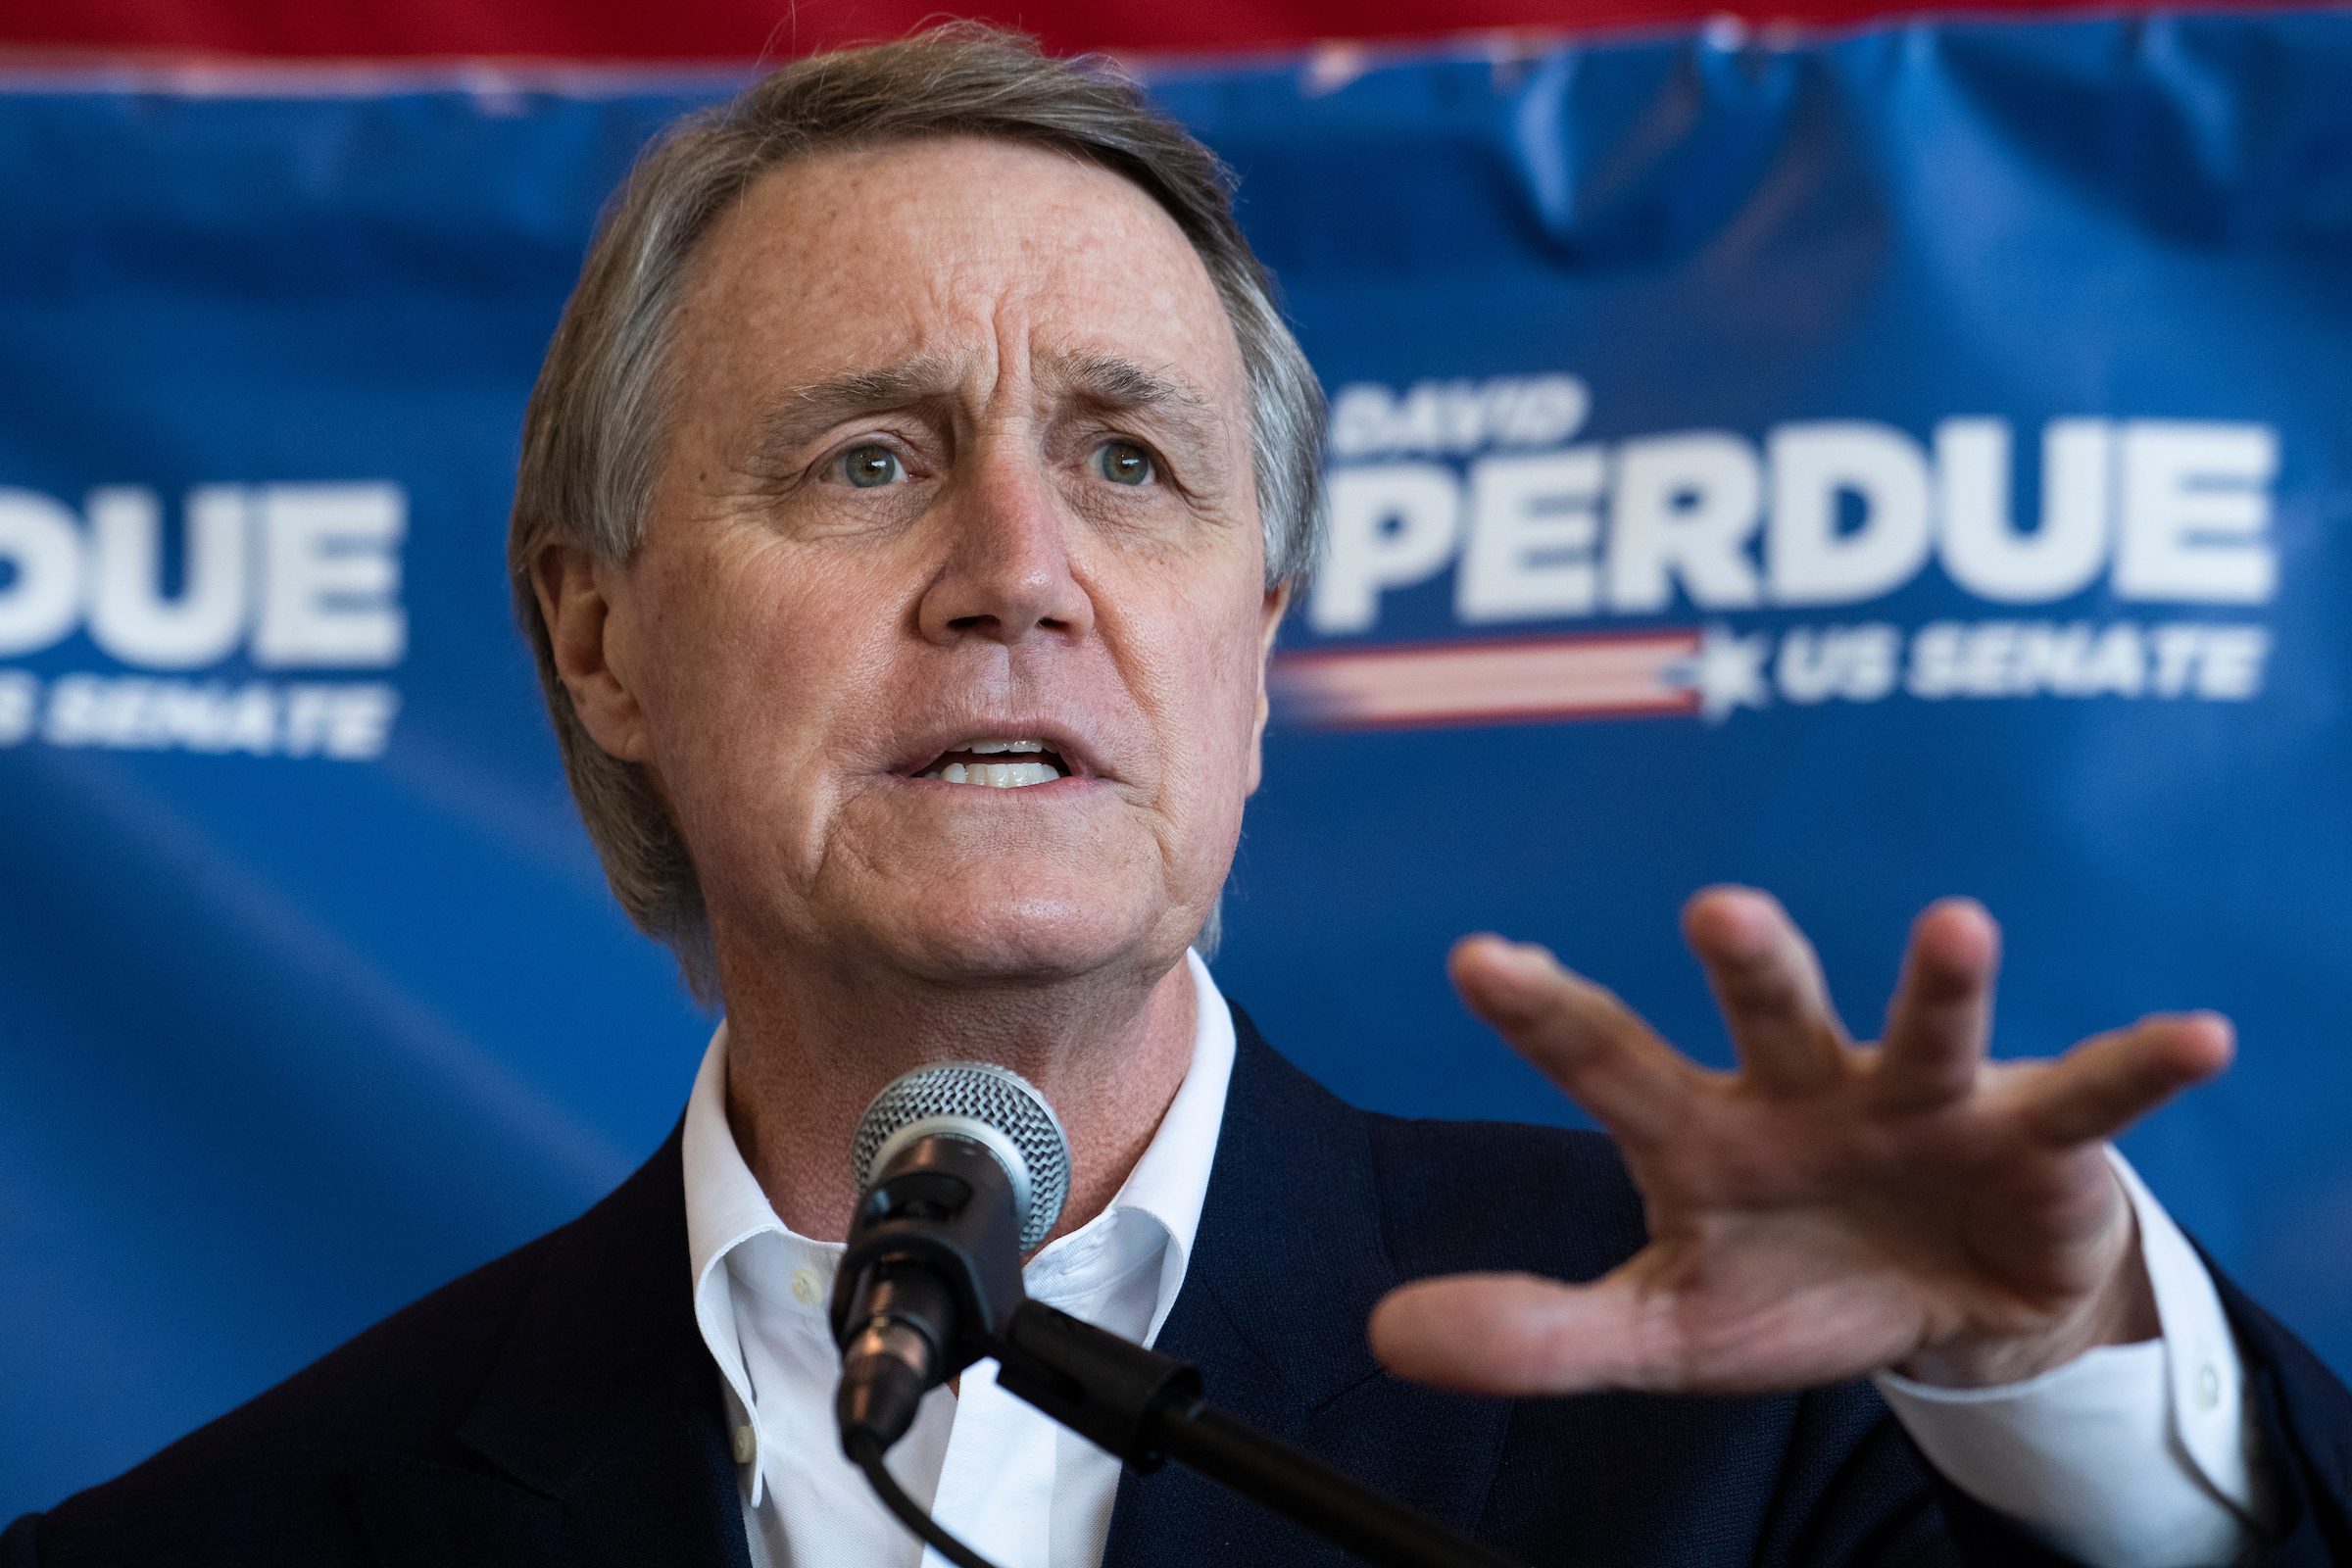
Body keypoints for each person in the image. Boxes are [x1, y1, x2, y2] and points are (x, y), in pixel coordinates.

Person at [8, 26, 2349, 1568]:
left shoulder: (1759, 1407)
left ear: (1252, 647)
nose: (1016, 572)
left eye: (1129, 462)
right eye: (868, 457)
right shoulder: (220, 1539)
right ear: (602, 635)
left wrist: (2052, 1389)